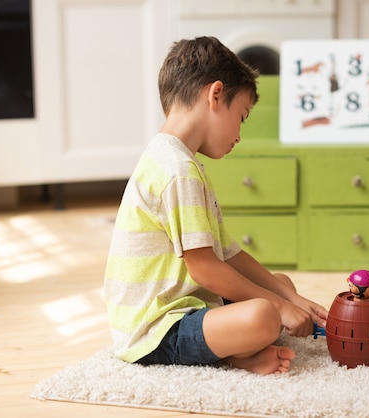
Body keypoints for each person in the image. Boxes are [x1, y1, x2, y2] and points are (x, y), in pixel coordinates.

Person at [103, 36, 328, 375]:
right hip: (158, 329)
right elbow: (205, 269)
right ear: (216, 94)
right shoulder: (176, 170)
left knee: (280, 283)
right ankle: (234, 355)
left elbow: (230, 254)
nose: (239, 134)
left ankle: (239, 345)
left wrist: (291, 300)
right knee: (264, 315)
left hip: (185, 303)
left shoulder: (180, 162)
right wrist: (278, 306)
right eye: (242, 116)